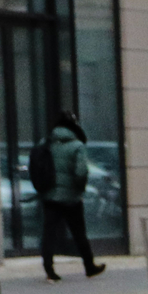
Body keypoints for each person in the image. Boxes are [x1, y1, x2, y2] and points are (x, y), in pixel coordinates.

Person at [40, 113, 106, 282]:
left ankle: (49, 269)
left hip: (50, 197)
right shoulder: (77, 146)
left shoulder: (46, 143)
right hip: (71, 199)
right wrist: (79, 189)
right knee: (79, 233)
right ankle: (89, 266)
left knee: (49, 234)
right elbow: (81, 171)